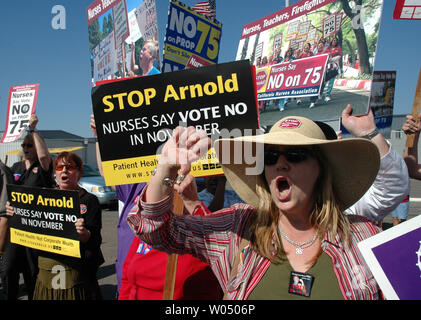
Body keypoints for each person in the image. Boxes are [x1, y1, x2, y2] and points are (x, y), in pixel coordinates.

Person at [127, 112, 384, 300]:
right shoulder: (239, 230)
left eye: (295, 155)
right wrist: (165, 167)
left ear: (321, 170)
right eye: (271, 157)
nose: (280, 164)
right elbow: (155, 229)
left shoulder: (365, 237)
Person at [6, 152, 104, 300]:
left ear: (79, 172)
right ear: (55, 172)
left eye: (70, 167)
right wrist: (15, 212)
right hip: (46, 269)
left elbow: (94, 239)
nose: (64, 170)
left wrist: (83, 232)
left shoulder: (90, 200)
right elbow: (30, 222)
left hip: (77, 272)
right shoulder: (44, 198)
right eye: (59, 167)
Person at [118, 174, 223, 300]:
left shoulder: (198, 233)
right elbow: (126, 279)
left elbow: (214, 242)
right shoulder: (147, 228)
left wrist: (192, 202)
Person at [328, 105, 410, 223]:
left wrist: (369, 133)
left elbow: (393, 186)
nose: (290, 166)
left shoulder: (344, 206)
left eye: (297, 157)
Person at [3, 114, 55, 300]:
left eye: (29, 145)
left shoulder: (42, 169)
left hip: (35, 233)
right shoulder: (15, 167)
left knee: (32, 274)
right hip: (15, 231)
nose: (25, 148)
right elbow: (7, 194)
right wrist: (7, 207)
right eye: (23, 145)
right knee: (8, 270)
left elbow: (44, 156)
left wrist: (33, 130)